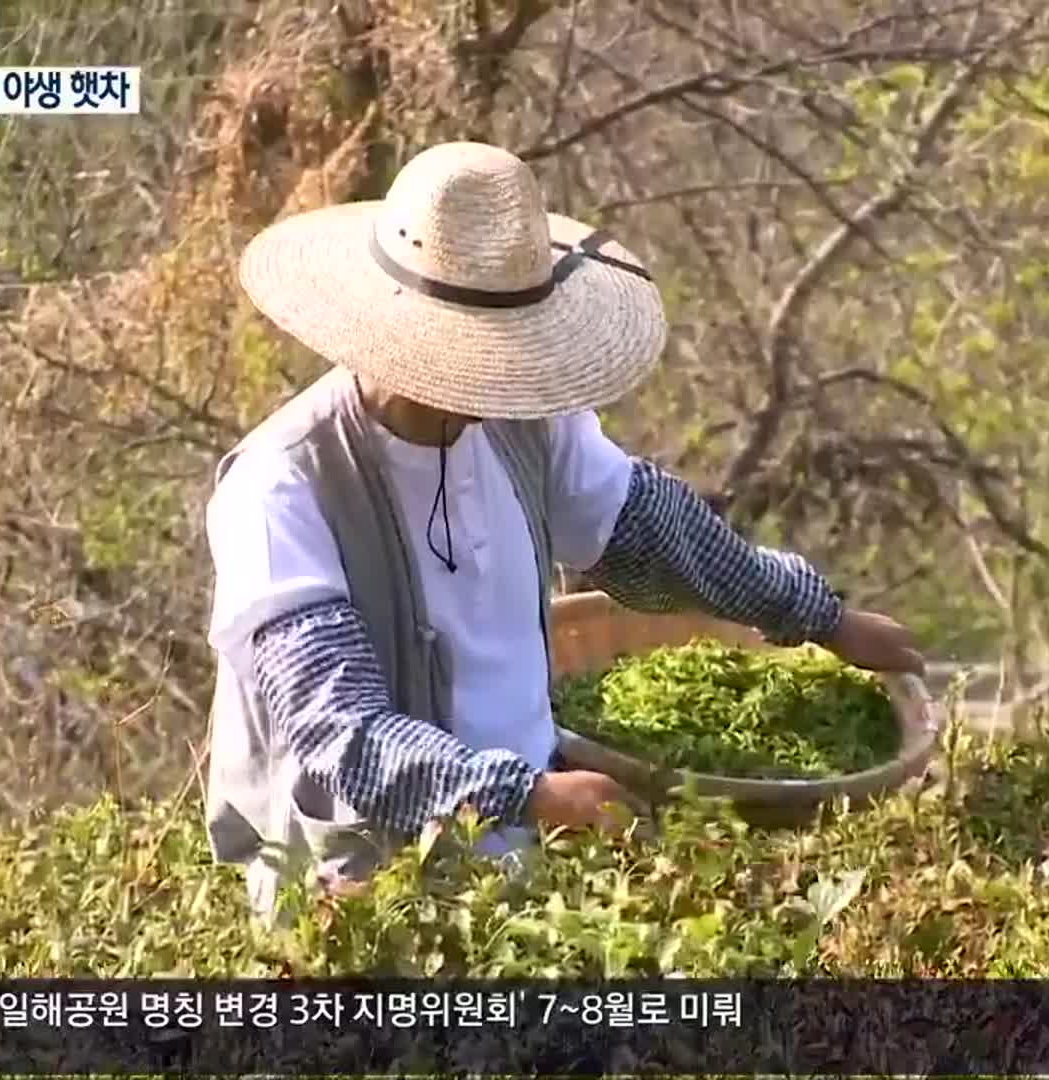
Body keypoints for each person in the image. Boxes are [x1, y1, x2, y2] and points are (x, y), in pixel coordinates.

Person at [202, 142, 932, 914]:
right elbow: (340, 735)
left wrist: (820, 616)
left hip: (524, 866)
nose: (496, 376)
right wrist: (528, 795)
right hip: (364, 893)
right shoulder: (284, 488)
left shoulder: (525, 425)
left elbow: (657, 535)